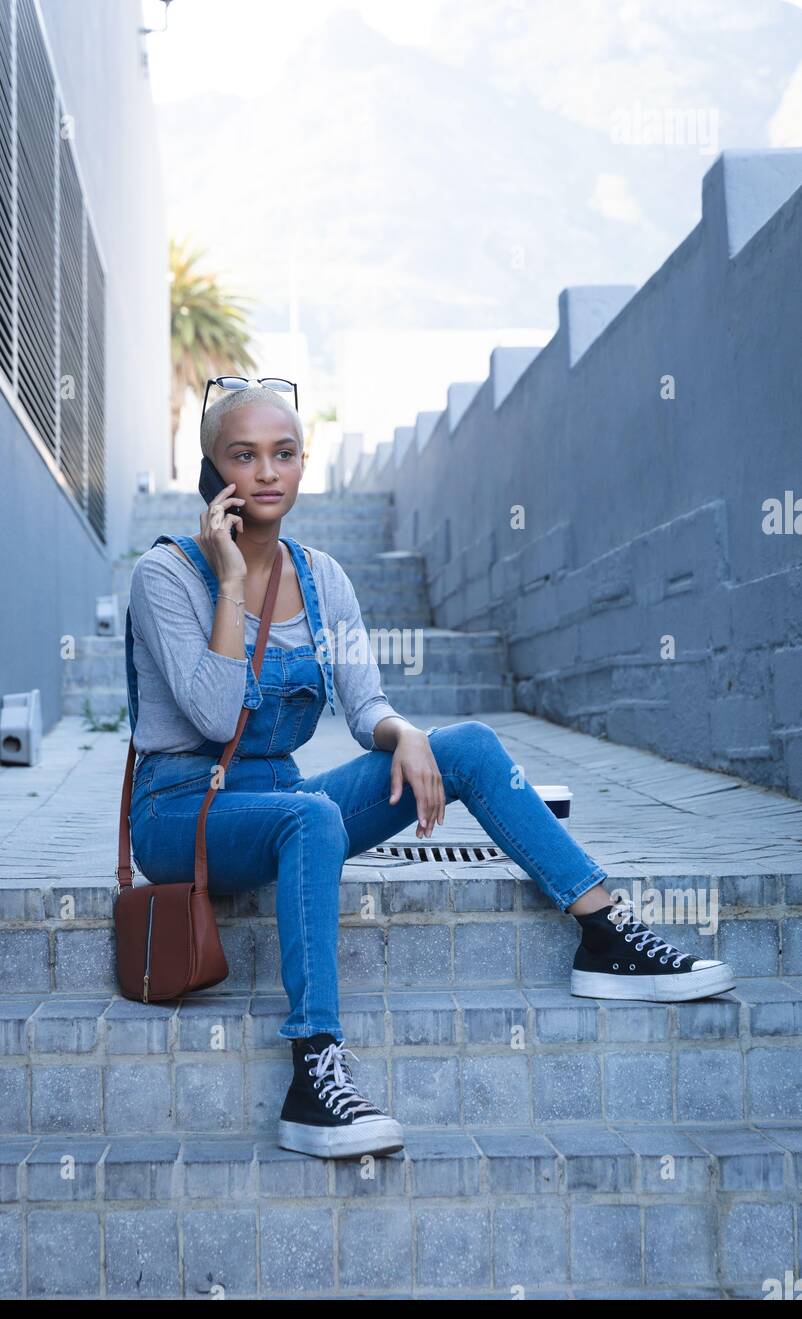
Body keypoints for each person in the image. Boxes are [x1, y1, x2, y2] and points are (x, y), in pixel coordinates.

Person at [126, 383, 735, 1160]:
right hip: (181, 813)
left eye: (284, 453)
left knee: (469, 744)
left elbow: (365, 705)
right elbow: (215, 717)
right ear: (211, 474)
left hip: (274, 803)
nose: (267, 472)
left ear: (303, 463)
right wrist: (233, 583)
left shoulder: (323, 582)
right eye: (243, 456)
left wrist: (404, 733)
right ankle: (315, 1071)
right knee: (309, 817)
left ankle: (604, 933)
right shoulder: (167, 577)